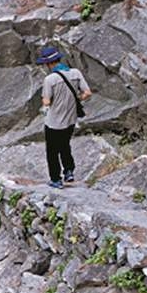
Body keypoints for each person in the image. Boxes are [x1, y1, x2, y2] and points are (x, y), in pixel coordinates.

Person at [37, 46, 91, 189]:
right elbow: (87, 93)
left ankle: (56, 179)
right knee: (65, 145)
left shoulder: (50, 79)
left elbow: (47, 101)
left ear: (49, 64)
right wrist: (76, 99)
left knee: (52, 151)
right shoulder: (75, 73)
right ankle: (69, 171)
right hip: (70, 119)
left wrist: (44, 103)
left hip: (54, 122)